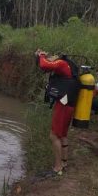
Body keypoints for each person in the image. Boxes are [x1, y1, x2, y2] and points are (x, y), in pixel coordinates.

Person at [35, 49, 80, 177]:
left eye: (50, 57)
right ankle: (64, 163)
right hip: (68, 103)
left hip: (63, 104)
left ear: (56, 57)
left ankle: (57, 166)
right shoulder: (68, 66)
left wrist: (41, 55)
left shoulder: (61, 64)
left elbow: (44, 65)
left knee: (54, 136)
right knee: (63, 134)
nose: (49, 59)